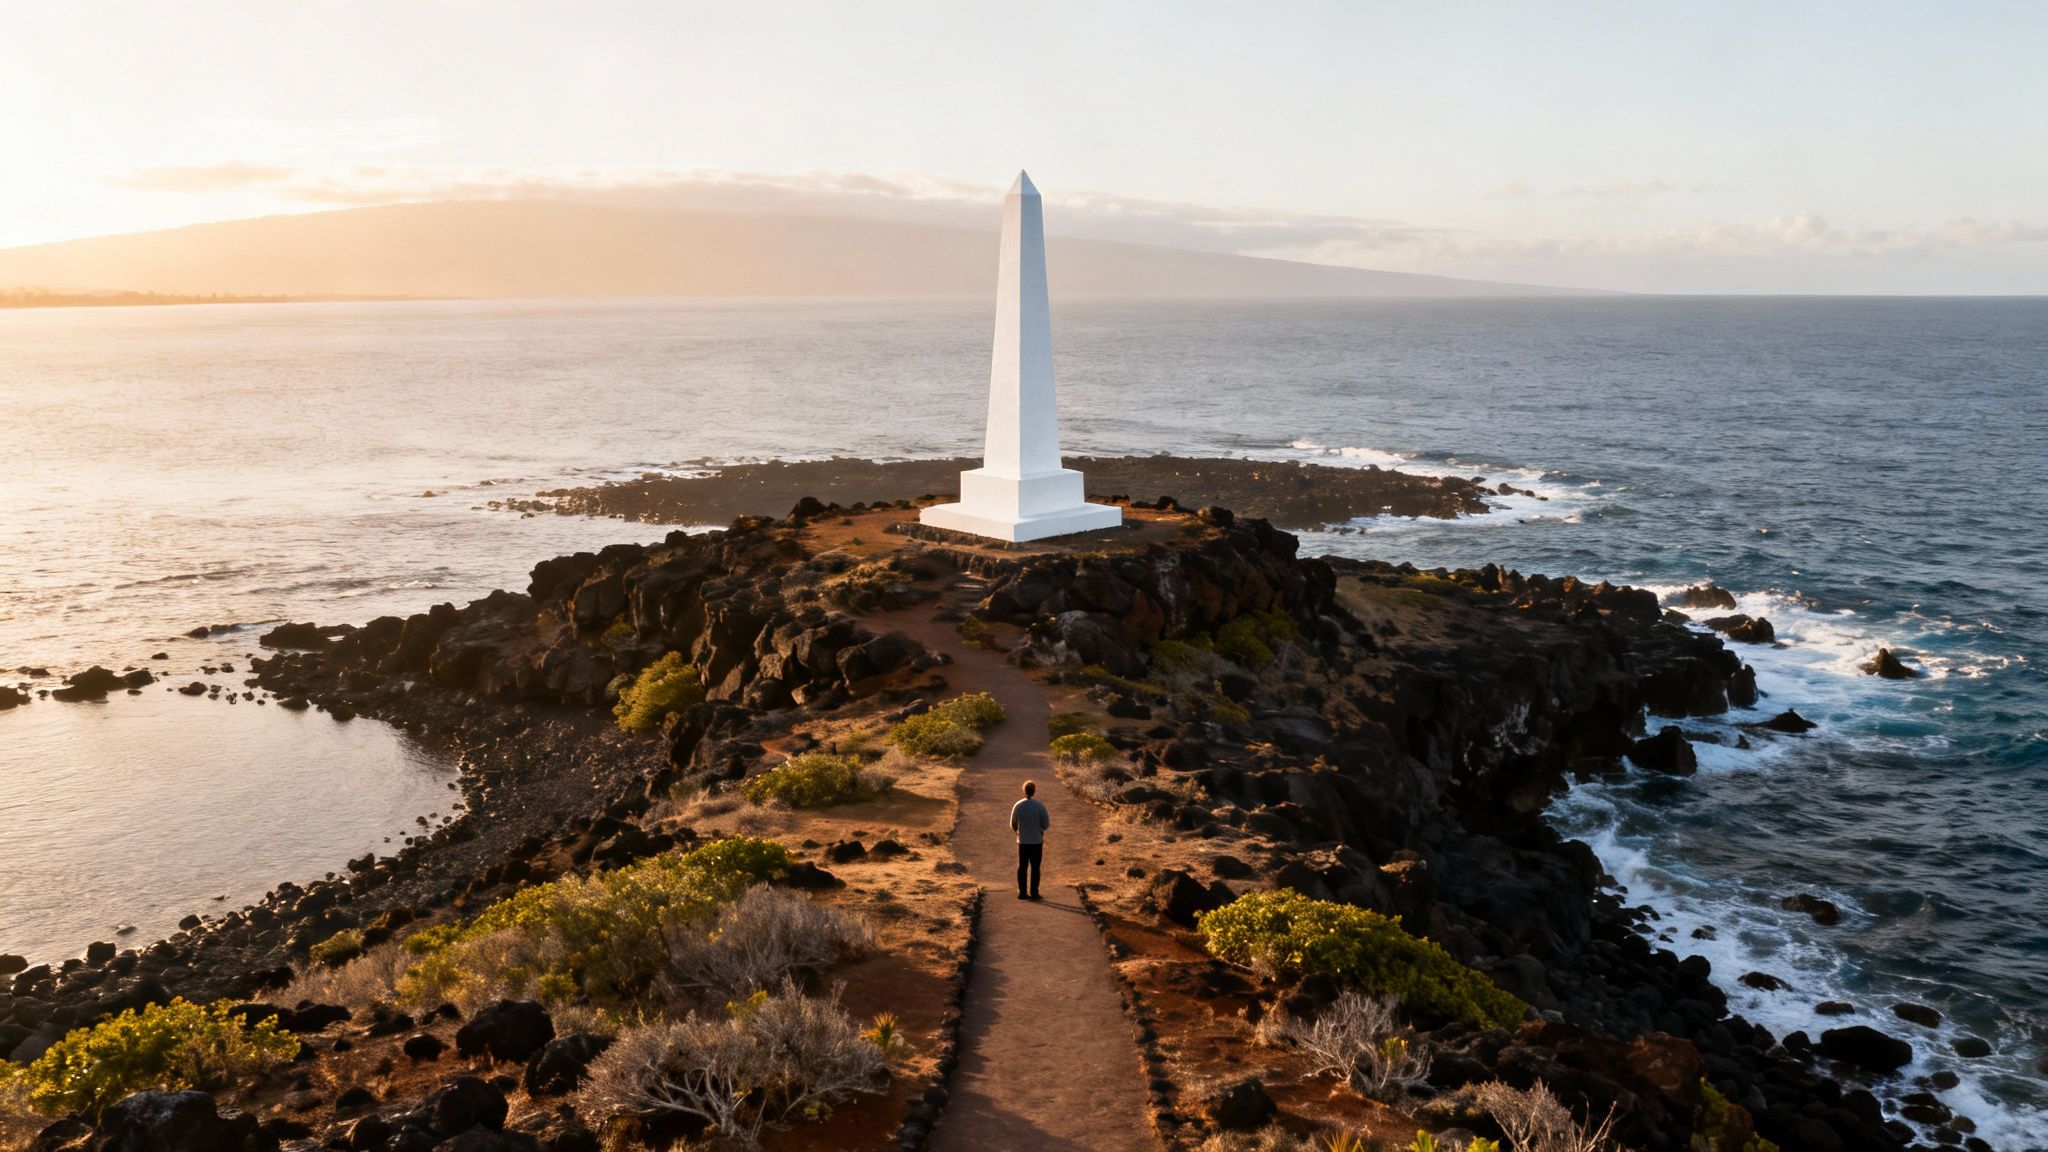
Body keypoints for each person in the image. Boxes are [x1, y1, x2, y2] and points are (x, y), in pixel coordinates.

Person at [1010, 779, 1050, 900]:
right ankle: (1034, 892)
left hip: (1023, 841)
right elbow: (1046, 825)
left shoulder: (1018, 805)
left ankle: (1022, 892)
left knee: (1022, 867)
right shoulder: (1040, 806)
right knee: (1035, 867)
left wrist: (1018, 832)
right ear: (1034, 791)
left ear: (1024, 790)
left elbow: (1013, 823)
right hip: (1037, 841)